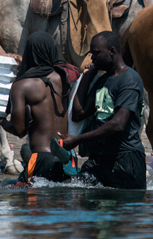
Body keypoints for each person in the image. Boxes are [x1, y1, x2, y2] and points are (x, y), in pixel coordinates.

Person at [60, 31, 146, 190]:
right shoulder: (103, 80)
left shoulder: (129, 80)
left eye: (95, 53)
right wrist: (87, 75)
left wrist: (77, 140)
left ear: (112, 51)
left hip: (125, 160)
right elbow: (79, 113)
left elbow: (118, 124)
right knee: (78, 197)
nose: (92, 58)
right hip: (98, 159)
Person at [0, 32, 73, 185]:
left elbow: (19, 130)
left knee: (10, 192)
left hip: (41, 159)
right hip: (67, 159)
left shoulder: (22, 86)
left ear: (29, 53)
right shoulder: (63, 78)